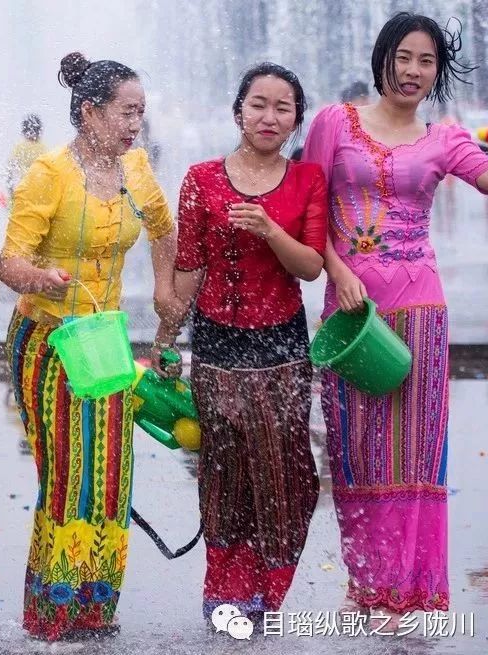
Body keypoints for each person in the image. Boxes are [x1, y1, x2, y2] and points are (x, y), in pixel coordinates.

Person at [303, 12, 488, 627]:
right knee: (356, 449)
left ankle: (409, 591)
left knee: (417, 452)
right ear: (383, 58)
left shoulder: (444, 139)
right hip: (351, 311)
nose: (413, 71)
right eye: (404, 57)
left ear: (436, 72)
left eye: (426, 62)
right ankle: (365, 583)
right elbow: (313, 212)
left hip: (421, 308)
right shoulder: (333, 123)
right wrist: (337, 271)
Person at [0, 51, 182, 641]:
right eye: (125, 112)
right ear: (88, 111)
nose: (135, 124)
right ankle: (52, 610)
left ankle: (95, 605)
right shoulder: (50, 172)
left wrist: (161, 289)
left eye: (140, 113)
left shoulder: (136, 169)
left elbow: (164, 228)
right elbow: (10, 260)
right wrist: (38, 278)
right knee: (67, 471)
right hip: (49, 339)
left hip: (104, 342)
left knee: (108, 469)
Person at [166, 63, 325, 626]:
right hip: (214, 344)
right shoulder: (200, 178)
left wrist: (270, 231)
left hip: (281, 346)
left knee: (287, 472)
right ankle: (226, 593)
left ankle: (268, 588)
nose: (269, 116)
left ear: (295, 122)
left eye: (283, 108)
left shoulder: (307, 179)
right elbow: (188, 268)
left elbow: (310, 267)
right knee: (226, 470)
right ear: (239, 110)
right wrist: (165, 341)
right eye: (258, 104)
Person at [7, 114, 48, 194]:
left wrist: (10, 189)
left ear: (24, 131)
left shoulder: (19, 147)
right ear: (39, 131)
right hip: (38, 189)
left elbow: (10, 169)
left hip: (22, 187)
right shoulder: (43, 148)